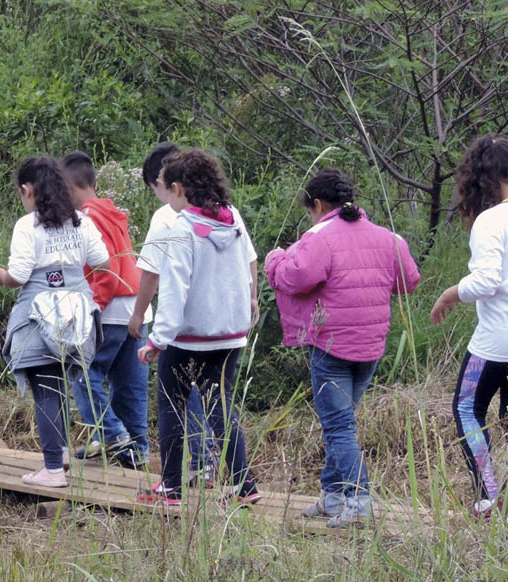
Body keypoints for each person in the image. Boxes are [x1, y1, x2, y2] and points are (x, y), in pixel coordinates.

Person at [266, 168, 420, 528]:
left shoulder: (319, 237)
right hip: (371, 346)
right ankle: (333, 496)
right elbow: (408, 281)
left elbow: (297, 278)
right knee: (342, 423)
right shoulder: (387, 237)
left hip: (331, 345)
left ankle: (358, 501)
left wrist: (275, 259)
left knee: (338, 428)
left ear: (318, 204)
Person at [136, 149, 260, 507]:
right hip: (230, 334)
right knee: (220, 405)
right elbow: (248, 267)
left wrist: (157, 340)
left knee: (172, 404)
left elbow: (175, 289)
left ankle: (171, 487)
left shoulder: (182, 227)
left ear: (178, 188)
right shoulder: (232, 220)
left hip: (189, 337)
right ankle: (243, 484)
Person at [0, 156, 110, 488]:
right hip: (76, 315)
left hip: (40, 313)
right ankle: (62, 451)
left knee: (45, 389)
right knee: (60, 385)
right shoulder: (81, 222)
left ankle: (53, 468)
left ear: (27, 190)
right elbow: (102, 261)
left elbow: (19, 274)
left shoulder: (27, 226)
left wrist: (0, 277)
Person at [129, 142, 216, 484]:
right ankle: (213, 462)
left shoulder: (166, 217)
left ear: (161, 183)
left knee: (178, 392)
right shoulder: (221, 210)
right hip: (218, 321)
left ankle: (190, 468)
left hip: (181, 323)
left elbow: (151, 273)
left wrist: (139, 315)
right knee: (213, 393)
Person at [431, 134, 508, 518]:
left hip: (496, 343)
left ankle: (488, 496)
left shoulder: (491, 221)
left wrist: (449, 293)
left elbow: (486, 281)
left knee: (466, 408)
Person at [60, 151, 150, 469]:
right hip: (135, 306)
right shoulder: (111, 212)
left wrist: (92, 308)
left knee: (82, 372)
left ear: (68, 188)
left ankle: (112, 433)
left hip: (110, 307)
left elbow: (106, 270)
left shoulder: (86, 218)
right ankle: (136, 452)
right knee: (130, 385)